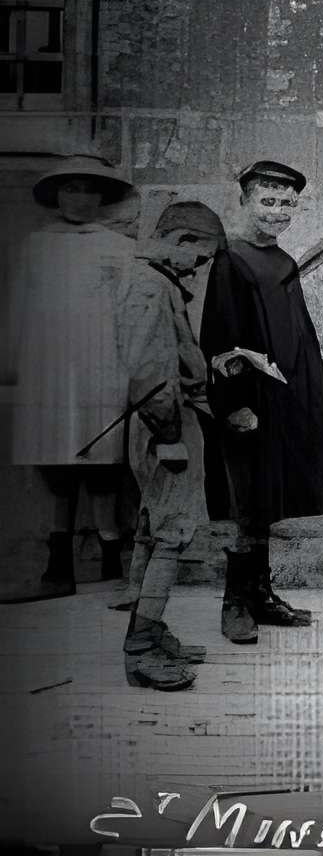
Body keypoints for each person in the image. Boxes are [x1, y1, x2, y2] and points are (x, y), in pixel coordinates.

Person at [200, 159, 323, 644]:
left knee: (269, 501)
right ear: (244, 201)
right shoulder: (230, 260)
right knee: (245, 503)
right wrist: (235, 403)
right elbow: (220, 338)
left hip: (284, 400)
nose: (278, 211)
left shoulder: (283, 262)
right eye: (268, 201)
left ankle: (260, 594)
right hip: (250, 404)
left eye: (287, 203)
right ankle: (234, 601)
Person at [2, 155, 135, 603]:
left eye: (89, 190)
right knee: (57, 462)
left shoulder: (118, 248)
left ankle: (112, 556)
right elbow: (18, 309)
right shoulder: (37, 246)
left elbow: (129, 310)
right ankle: (57, 564)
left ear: (103, 197)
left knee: (103, 460)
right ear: (57, 195)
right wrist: (13, 362)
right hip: (50, 367)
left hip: (103, 366)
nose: (80, 199)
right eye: (71, 189)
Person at [115, 199, 226, 691]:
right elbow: (148, 375)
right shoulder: (147, 286)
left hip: (172, 421)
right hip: (167, 427)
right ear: (180, 241)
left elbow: (172, 361)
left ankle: (151, 630)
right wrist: (170, 438)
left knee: (152, 531)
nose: (200, 268)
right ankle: (140, 650)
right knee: (171, 536)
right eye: (199, 257)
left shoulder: (160, 284)